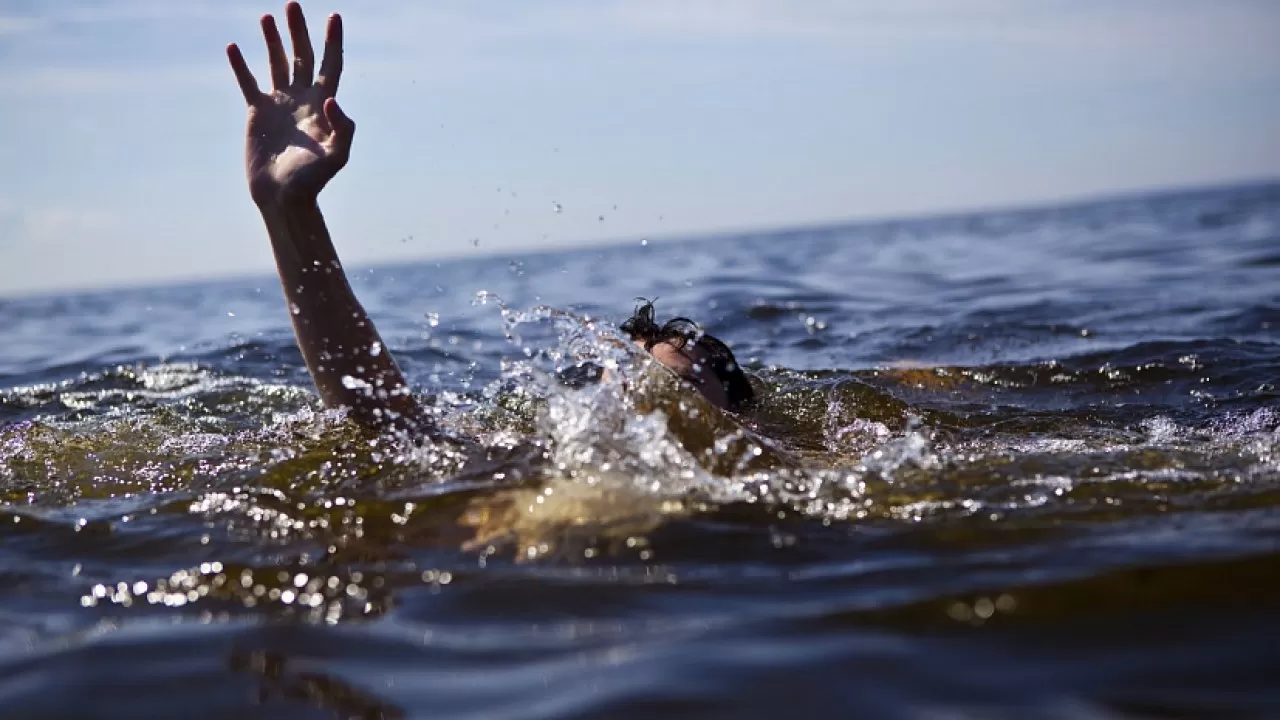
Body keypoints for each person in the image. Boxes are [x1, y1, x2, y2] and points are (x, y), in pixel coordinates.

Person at [226, 3, 755, 435]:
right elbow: (386, 426)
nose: (642, 398)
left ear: (742, 425)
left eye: (678, 387)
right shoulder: (531, 463)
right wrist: (289, 212)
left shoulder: (771, 476)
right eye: (627, 384)